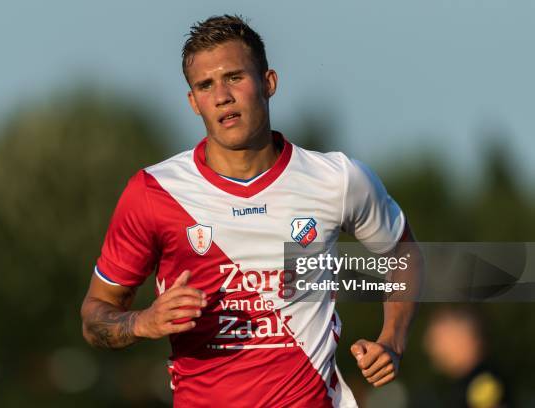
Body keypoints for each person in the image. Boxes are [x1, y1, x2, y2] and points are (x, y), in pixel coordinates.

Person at [81, 14, 423, 407]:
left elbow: (404, 254)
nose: (222, 95)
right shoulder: (154, 192)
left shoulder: (337, 179)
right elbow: (95, 315)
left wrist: (391, 341)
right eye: (205, 86)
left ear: (269, 82)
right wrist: (143, 322)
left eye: (234, 77)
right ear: (194, 102)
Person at [423, 306, 513, 408]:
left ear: (464, 337)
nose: (429, 347)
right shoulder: (465, 385)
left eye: (438, 339)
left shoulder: (483, 382)